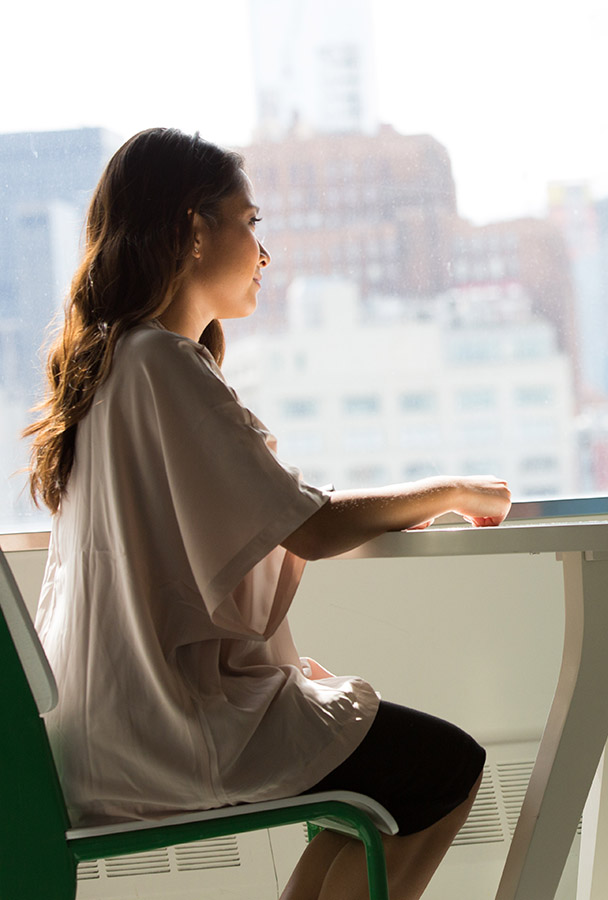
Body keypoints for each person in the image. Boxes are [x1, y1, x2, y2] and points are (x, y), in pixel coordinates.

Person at [26, 127, 513, 900]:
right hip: (164, 731)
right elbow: (308, 526)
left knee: (369, 789)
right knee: (443, 767)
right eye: (250, 223)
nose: (264, 251)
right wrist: (447, 490)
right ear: (193, 229)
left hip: (106, 728)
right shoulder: (159, 363)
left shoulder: (114, 366)